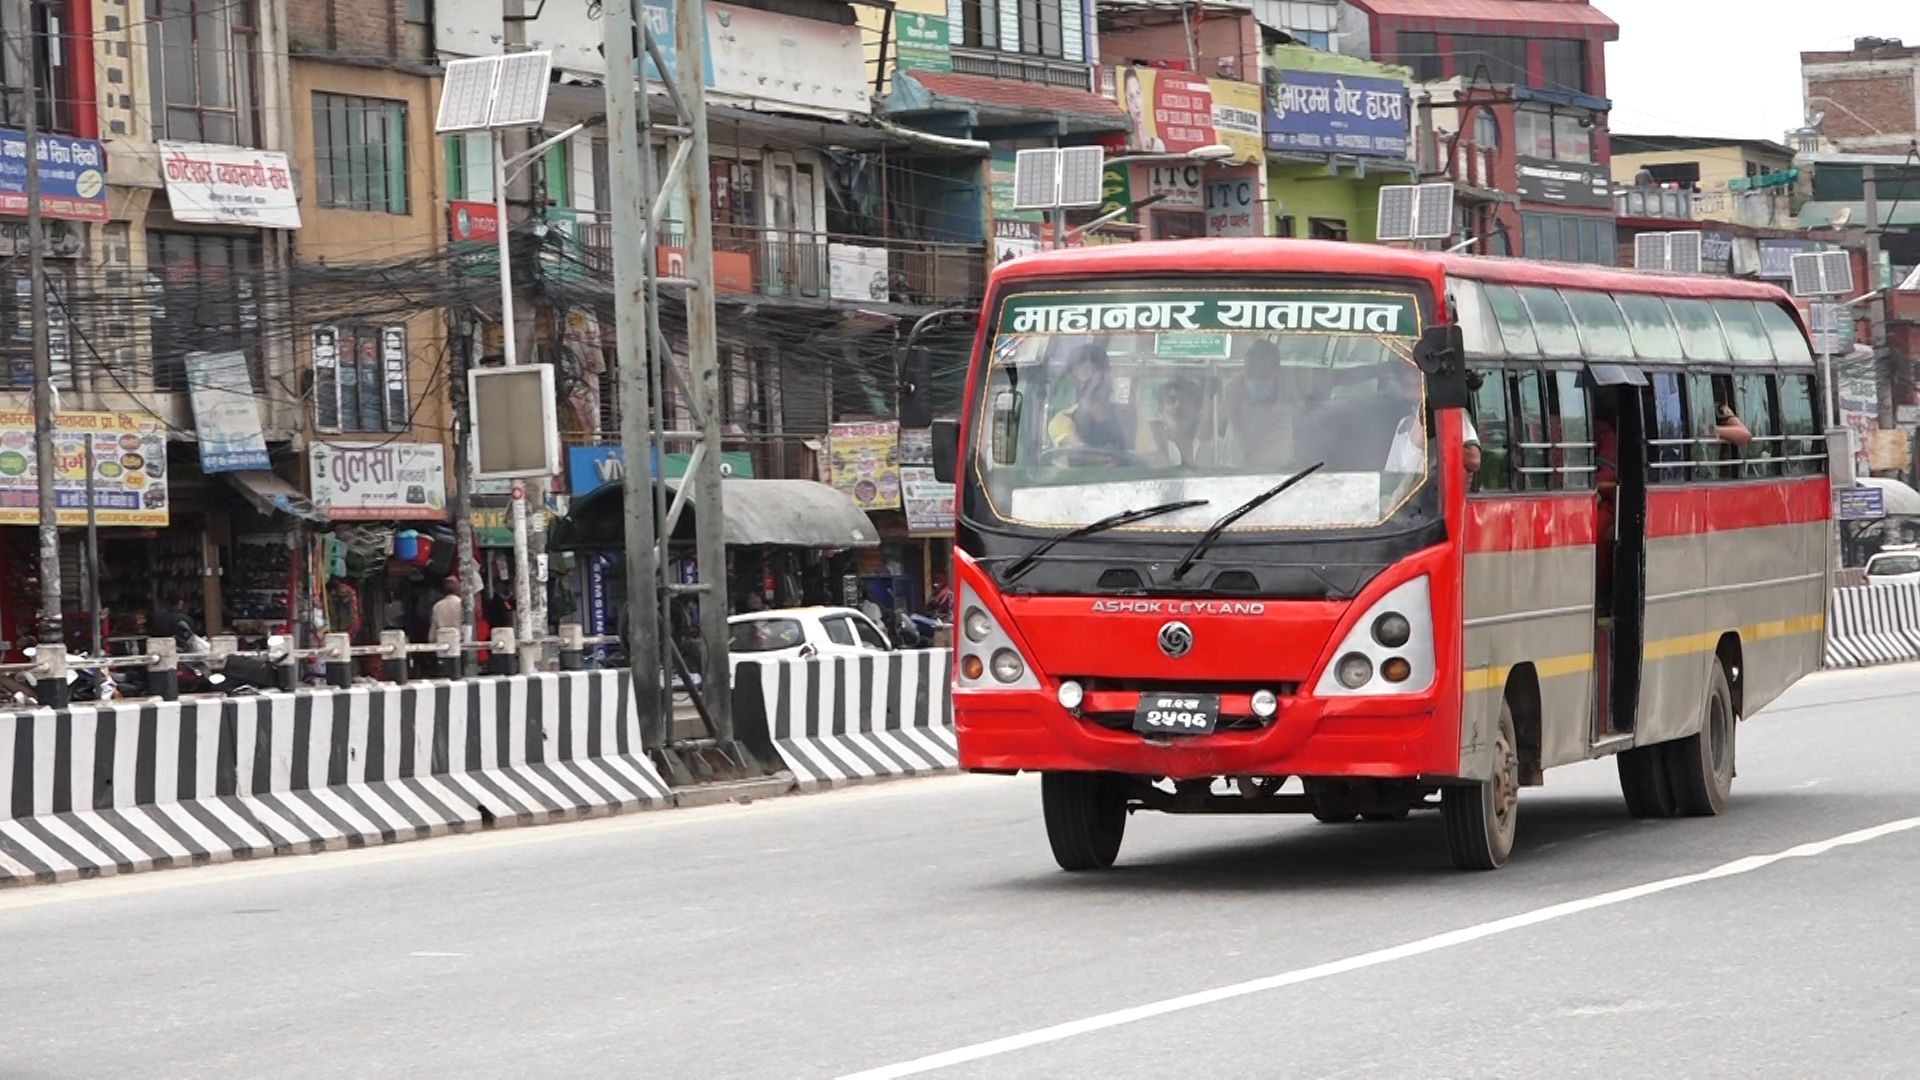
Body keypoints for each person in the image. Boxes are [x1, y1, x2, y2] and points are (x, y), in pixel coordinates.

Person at [1046, 344, 1132, 456]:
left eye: (1100, 370)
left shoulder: (1130, 416)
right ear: (1072, 378)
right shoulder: (1062, 421)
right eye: (1086, 371)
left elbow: (1149, 457)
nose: (1096, 378)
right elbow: (1081, 453)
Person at [1149, 376, 1210, 467]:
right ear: (1160, 408)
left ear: (1197, 407)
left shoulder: (1216, 448)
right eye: (1171, 400)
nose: (1177, 405)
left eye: (1184, 400)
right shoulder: (1150, 450)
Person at [1121, 68, 1166, 153]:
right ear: (1127, 105)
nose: (1136, 104)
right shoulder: (1125, 147)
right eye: (1131, 97)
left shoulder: (1158, 146)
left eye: (1138, 93)